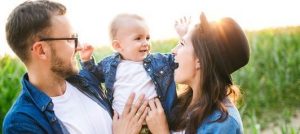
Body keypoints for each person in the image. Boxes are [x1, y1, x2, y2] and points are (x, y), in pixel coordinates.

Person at [2, 1, 148, 134]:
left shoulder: (86, 81)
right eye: (70, 39)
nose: (78, 47)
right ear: (41, 50)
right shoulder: (21, 124)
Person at [145, 13, 249, 134]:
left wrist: (161, 132)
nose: (173, 51)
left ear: (200, 60)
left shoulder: (223, 124)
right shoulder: (182, 104)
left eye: (182, 44)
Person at [80, 14, 180, 120]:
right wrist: (86, 60)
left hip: (153, 122)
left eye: (147, 38)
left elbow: (178, 59)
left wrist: (184, 37)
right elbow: (93, 75)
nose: (145, 43)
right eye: (138, 38)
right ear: (118, 46)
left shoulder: (158, 62)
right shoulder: (109, 65)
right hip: (122, 123)